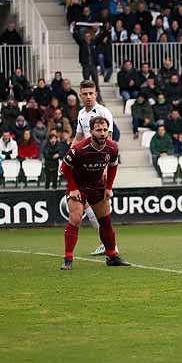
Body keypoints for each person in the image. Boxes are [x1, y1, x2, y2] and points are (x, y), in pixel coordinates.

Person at [59, 116, 128, 270]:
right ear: (91, 132)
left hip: (98, 187)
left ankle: (112, 256)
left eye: (105, 130)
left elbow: (113, 166)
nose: (102, 133)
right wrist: (73, 188)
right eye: (98, 130)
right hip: (79, 187)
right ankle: (68, 259)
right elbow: (65, 167)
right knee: (76, 218)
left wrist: (109, 187)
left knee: (105, 222)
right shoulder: (79, 149)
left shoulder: (112, 148)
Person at [74, 80, 117, 256]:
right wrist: (67, 157)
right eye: (85, 94)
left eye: (91, 93)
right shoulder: (81, 114)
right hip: (86, 165)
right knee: (87, 206)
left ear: (96, 94)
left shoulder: (103, 112)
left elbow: (110, 141)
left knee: (102, 206)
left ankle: (110, 245)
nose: (88, 97)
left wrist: (105, 167)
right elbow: (78, 138)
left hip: (100, 165)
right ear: (80, 96)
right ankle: (105, 242)